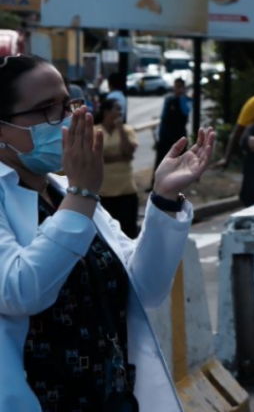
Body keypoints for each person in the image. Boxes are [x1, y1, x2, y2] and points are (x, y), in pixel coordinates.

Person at [0, 54, 216, 412]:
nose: (68, 119)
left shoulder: (62, 191)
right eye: (47, 109)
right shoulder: (75, 194)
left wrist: (164, 198)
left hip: (114, 398)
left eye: (68, 103)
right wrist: (82, 194)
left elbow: (142, 289)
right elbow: (19, 290)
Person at [95, 98, 141, 238]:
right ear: (106, 111)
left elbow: (129, 152)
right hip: (104, 192)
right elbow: (95, 157)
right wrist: (119, 158)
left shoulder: (127, 130)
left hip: (126, 190)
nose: (120, 112)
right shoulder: (95, 130)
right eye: (117, 109)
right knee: (107, 235)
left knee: (128, 232)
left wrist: (120, 129)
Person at [154, 78, 191, 189]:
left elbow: (186, 112)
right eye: (176, 86)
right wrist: (160, 133)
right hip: (166, 135)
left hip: (178, 135)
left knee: (178, 161)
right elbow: (164, 117)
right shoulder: (169, 99)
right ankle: (155, 184)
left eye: (180, 86)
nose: (177, 89)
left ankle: (177, 185)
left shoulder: (186, 100)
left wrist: (182, 98)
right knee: (161, 159)